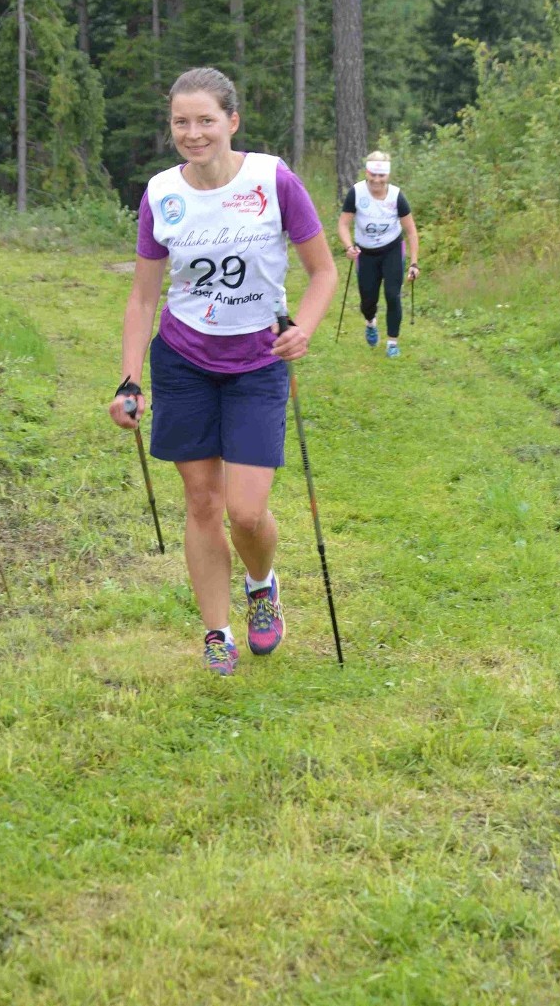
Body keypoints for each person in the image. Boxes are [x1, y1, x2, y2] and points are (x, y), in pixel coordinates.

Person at [108, 67, 337, 676]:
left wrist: (304, 329)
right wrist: (130, 380)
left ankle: (262, 585)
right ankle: (217, 631)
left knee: (246, 511)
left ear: (232, 121)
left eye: (206, 119)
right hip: (184, 360)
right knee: (203, 501)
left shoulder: (273, 180)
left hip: (257, 362)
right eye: (181, 122)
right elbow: (141, 298)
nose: (193, 132)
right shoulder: (162, 194)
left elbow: (323, 272)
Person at [337, 150, 420, 358]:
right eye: (373, 174)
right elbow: (343, 224)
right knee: (368, 300)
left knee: (393, 296)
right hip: (365, 253)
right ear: (367, 172)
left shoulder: (396, 196)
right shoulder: (356, 193)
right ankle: (370, 322)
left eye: (381, 175)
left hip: (391, 250)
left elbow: (410, 231)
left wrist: (414, 263)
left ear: (388, 175)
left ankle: (392, 342)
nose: (376, 180)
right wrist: (349, 247)